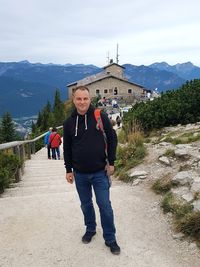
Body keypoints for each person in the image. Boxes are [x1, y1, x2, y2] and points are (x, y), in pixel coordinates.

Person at [63, 85, 120, 255]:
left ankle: (110, 238)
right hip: (79, 174)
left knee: (105, 206)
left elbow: (112, 138)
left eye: (85, 98)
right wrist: (68, 169)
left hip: (99, 172)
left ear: (90, 99)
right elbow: (67, 148)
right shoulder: (68, 123)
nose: (82, 102)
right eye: (79, 99)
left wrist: (111, 162)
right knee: (86, 204)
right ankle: (90, 229)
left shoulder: (99, 116)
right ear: (74, 100)